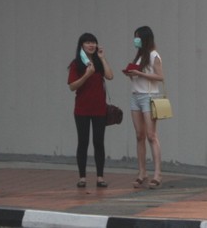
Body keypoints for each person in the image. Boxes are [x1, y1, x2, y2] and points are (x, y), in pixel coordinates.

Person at [67, 32, 114, 188]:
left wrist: (102, 58)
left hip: (99, 108)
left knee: (98, 142)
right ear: (81, 45)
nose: (91, 45)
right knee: (83, 142)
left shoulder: (98, 62)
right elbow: (72, 86)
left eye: (93, 42)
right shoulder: (77, 64)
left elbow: (110, 76)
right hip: (82, 109)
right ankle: (82, 177)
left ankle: (100, 177)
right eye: (87, 42)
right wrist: (86, 75)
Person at [123, 25, 164, 189]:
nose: (136, 40)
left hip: (149, 96)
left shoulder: (154, 55)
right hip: (136, 96)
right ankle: (142, 172)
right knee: (139, 135)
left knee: (151, 135)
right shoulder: (139, 56)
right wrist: (131, 74)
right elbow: (137, 79)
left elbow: (160, 77)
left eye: (138, 37)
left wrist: (139, 73)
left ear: (145, 38)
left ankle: (157, 173)